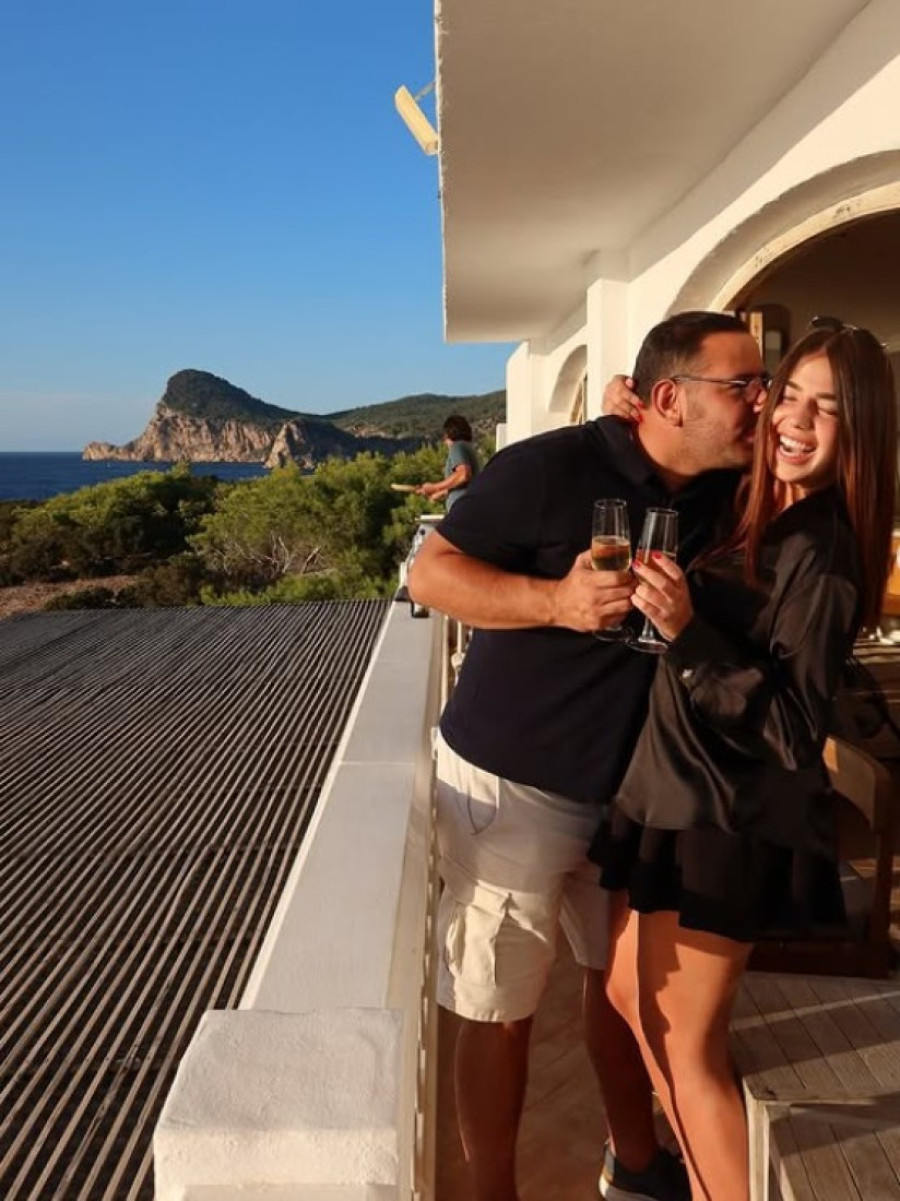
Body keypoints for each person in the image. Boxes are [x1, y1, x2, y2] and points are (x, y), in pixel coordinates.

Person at [409, 311, 769, 1201]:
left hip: (631, 795)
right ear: (670, 398)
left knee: (621, 990)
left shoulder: (722, 484)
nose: (761, 404)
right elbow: (430, 573)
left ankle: (635, 1162)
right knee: (500, 1008)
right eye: (744, 387)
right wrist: (555, 602)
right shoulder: (549, 468)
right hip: (513, 785)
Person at [591, 320, 896, 1201]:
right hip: (677, 792)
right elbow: (684, 438)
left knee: (689, 1051)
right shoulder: (764, 509)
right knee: (629, 996)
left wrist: (687, 633)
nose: (796, 419)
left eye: (827, 408)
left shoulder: (823, 554)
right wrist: (623, 412)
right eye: (788, 394)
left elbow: (796, 727)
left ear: (862, 430)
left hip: (726, 816)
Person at [416, 414, 481, 509]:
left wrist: (434, 487)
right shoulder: (470, 448)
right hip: (470, 506)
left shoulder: (457, 447)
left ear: (447, 434)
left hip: (462, 508)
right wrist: (441, 492)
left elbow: (464, 474)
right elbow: (464, 484)